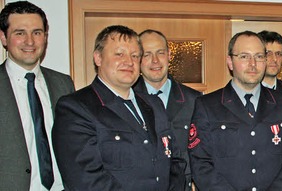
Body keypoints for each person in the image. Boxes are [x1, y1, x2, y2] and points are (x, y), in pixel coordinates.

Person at [52, 25, 185, 190]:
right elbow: (86, 180)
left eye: (135, 56)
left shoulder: (153, 104)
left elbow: (175, 162)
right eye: (119, 54)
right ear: (98, 58)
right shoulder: (76, 108)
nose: (129, 62)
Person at [188, 31, 282, 190]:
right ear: (230, 62)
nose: (253, 64)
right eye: (244, 56)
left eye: (258, 56)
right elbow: (200, 163)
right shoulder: (207, 105)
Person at [0, 1, 74, 190]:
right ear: (3, 38)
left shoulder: (64, 83)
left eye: (37, 32)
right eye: (19, 33)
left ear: (45, 37)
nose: (30, 41)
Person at [132, 29, 201, 190]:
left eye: (160, 53)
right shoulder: (128, 100)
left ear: (169, 55)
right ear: (138, 59)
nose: (155, 61)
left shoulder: (196, 100)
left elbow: (203, 152)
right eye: (147, 54)